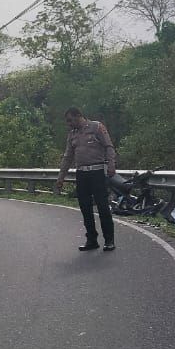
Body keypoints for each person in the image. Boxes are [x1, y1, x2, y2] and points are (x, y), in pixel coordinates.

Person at [54, 107, 117, 252]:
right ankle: (91, 239)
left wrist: (111, 165)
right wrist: (60, 178)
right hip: (82, 174)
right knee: (85, 208)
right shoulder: (72, 134)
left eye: (70, 120)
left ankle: (109, 240)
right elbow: (67, 157)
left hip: (97, 172)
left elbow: (109, 147)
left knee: (102, 207)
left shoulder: (96, 127)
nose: (69, 123)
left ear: (79, 116)